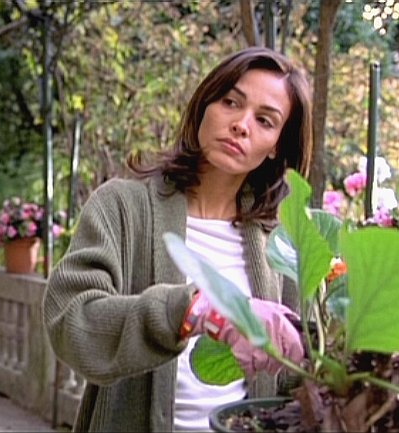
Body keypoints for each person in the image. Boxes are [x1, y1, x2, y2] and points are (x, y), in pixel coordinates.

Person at [43, 46, 313, 432]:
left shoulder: (282, 241)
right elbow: (72, 322)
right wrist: (197, 312)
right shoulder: (122, 206)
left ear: (276, 148)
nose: (241, 124)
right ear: (204, 106)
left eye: (265, 120)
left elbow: (294, 376)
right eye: (231, 102)